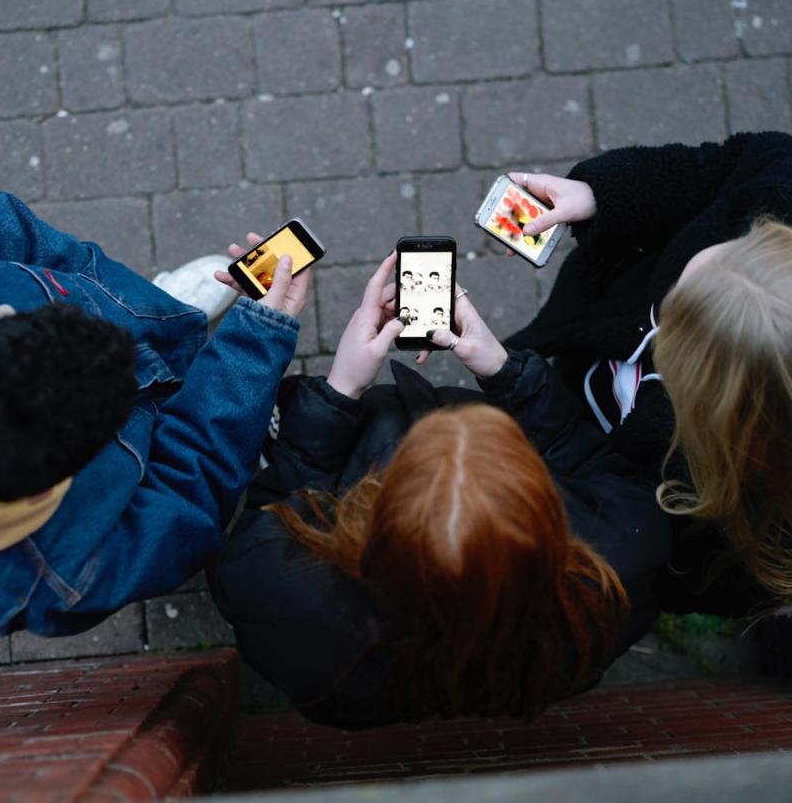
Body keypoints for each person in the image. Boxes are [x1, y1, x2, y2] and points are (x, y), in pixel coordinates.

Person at [0, 177, 308, 637]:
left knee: (137, 316)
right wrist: (254, 343)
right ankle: (199, 363)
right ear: (44, 495)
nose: (127, 349)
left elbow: (10, 227)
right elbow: (190, 486)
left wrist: (92, 284)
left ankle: (160, 311)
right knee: (205, 408)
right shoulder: (58, 582)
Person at [209, 254, 671, 729]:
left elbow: (272, 511)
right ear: (542, 502)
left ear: (379, 509)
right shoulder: (619, 574)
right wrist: (503, 370)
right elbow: (589, 462)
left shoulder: (292, 605)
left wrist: (339, 392)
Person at [503, 131, 792, 616]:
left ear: (712, 408)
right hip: (575, 354)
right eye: (727, 242)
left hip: (570, 442)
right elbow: (720, 168)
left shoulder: (739, 535)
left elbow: (632, 548)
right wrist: (604, 194)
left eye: (677, 316)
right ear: (775, 241)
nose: (668, 282)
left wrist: (513, 384)